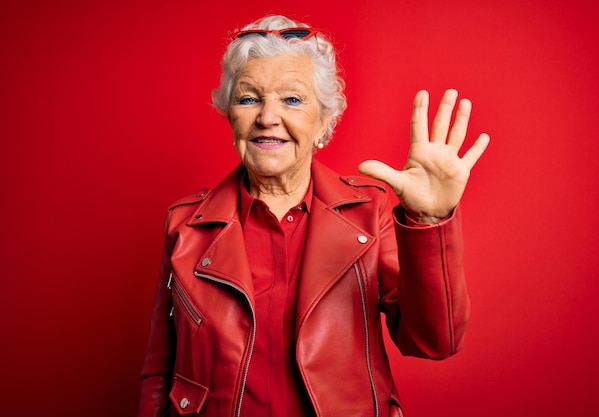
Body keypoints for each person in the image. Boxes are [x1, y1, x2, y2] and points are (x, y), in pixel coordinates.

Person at [138, 14, 489, 417]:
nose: (268, 117)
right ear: (230, 113)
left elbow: (433, 341)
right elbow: (160, 371)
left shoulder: (369, 214)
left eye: (292, 99)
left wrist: (430, 222)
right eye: (249, 98)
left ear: (324, 120)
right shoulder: (185, 225)